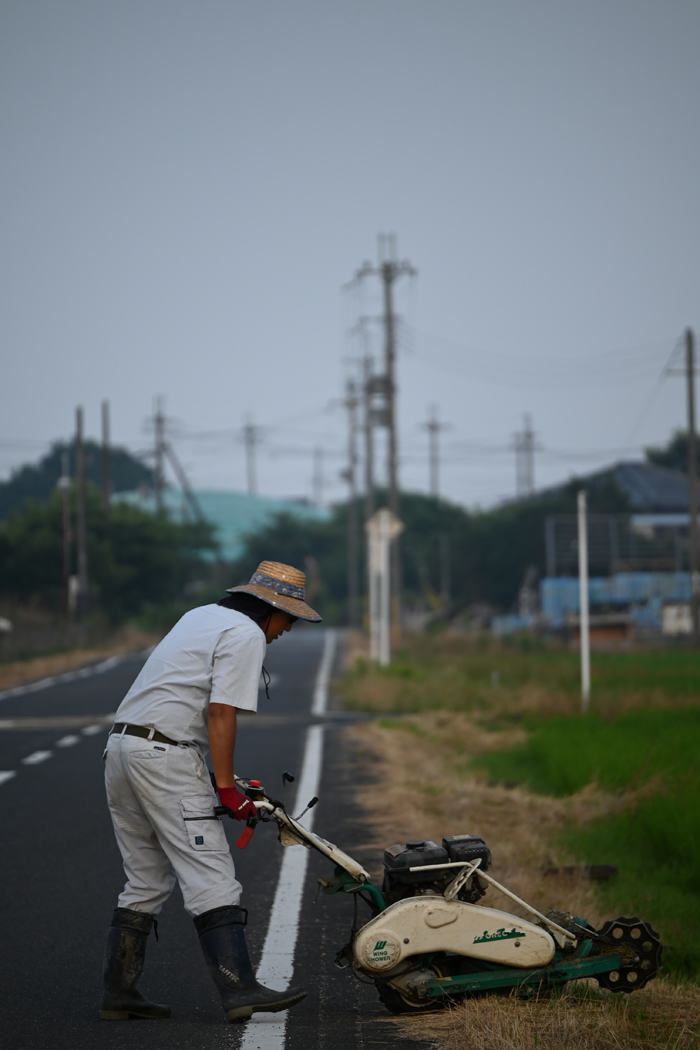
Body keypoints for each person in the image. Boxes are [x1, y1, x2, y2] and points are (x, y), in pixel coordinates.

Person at [100, 560, 321, 1023]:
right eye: (288, 619)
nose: (286, 630)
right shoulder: (247, 634)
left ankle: (119, 993)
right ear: (268, 610)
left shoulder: (200, 615)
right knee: (211, 872)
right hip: (165, 757)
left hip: (122, 747)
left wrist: (220, 777)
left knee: (144, 878)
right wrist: (225, 789)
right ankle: (240, 989)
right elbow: (221, 712)